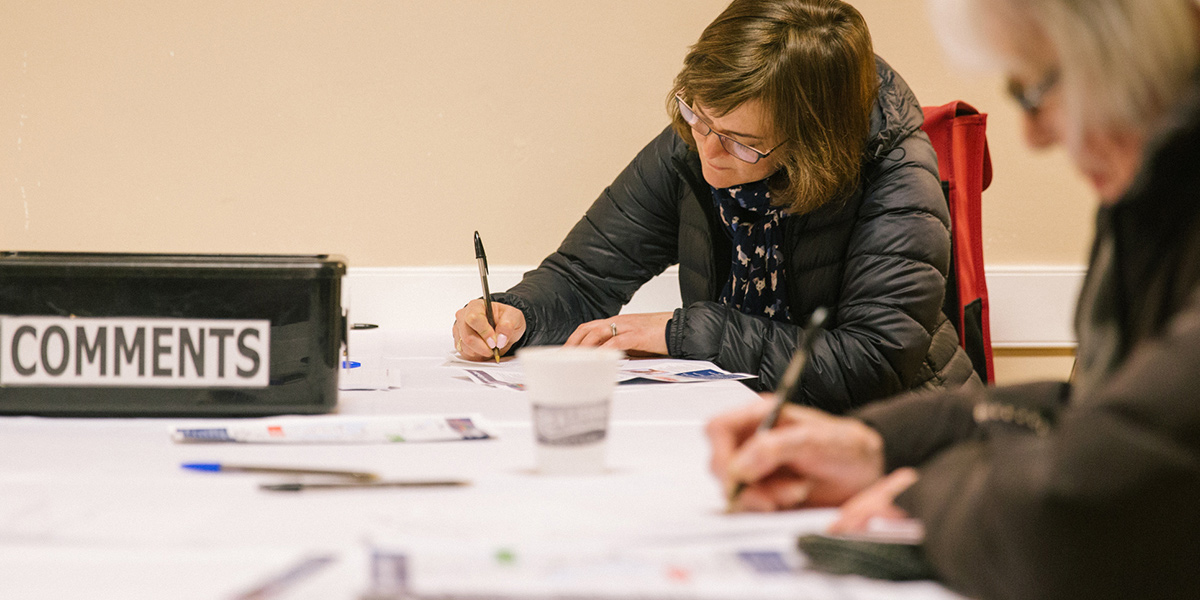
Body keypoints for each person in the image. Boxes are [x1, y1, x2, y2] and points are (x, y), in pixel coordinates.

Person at [707, 0, 1200, 598]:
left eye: (1038, 85)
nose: (1034, 134)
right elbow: (1102, 415)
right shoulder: (1156, 186)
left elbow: (1078, 507)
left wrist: (924, 494)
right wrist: (878, 446)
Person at [452, 0, 978, 413]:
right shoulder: (701, 135)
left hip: (905, 436)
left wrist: (685, 333)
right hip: (745, 415)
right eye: (697, 116)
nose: (706, 149)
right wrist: (517, 313)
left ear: (814, 141)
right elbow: (586, 274)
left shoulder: (894, 168)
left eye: (741, 142)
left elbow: (870, 361)